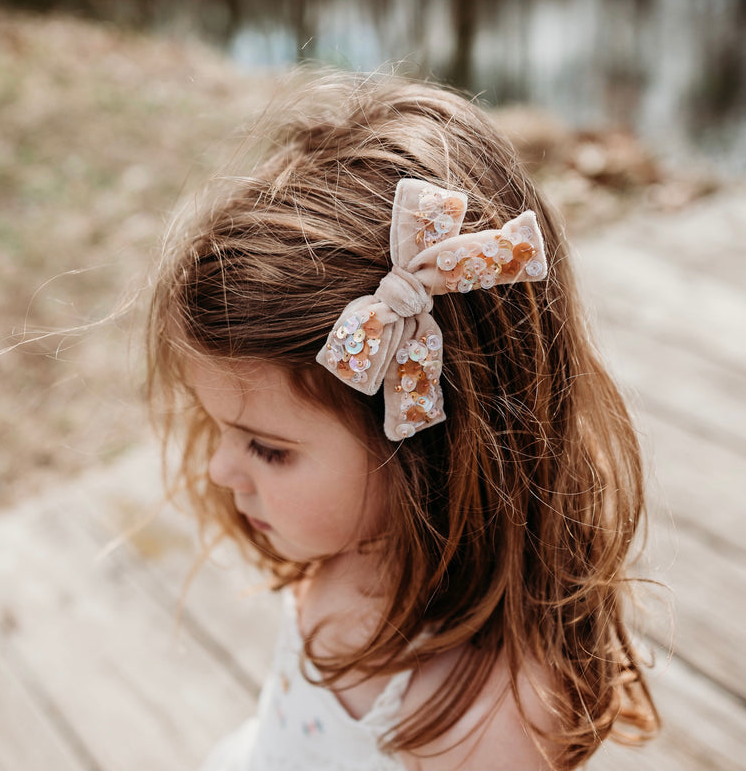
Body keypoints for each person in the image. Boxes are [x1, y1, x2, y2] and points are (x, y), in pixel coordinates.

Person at [147, 73, 659, 771]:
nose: (218, 469)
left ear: (431, 449)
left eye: (268, 449)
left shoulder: (492, 722)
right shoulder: (346, 537)